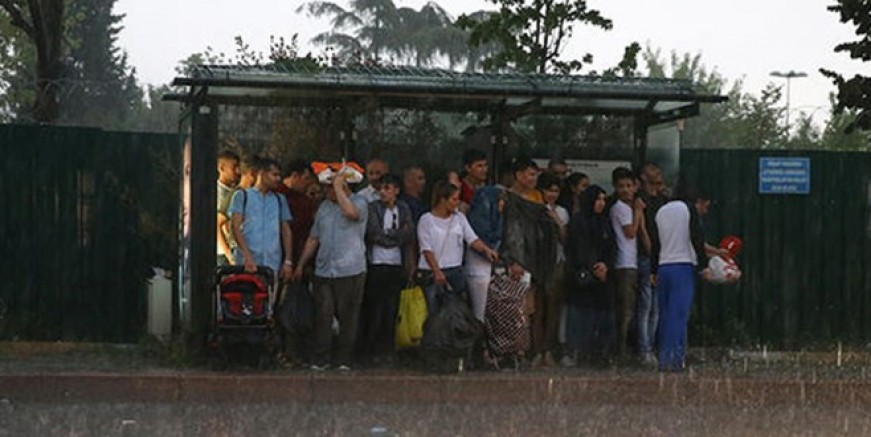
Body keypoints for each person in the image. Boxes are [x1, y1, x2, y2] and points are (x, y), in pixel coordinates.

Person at [293, 166, 369, 372]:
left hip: (350, 270)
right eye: (327, 187)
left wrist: (339, 188)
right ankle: (321, 358)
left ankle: (344, 359)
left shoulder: (360, 202)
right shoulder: (324, 208)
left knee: (348, 317)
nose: (328, 191)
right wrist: (300, 263)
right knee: (323, 315)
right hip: (325, 269)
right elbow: (313, 237)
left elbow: (351, 213)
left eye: (331, 187)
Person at [650, 179, 711, 372]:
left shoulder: (662, 211)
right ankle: (674, 360)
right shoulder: (687, 209)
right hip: (683, 266)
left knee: (666, 314)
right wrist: (704, 265)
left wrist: (653, 269)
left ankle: (664, 357)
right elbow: (696, 237)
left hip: (663, 266)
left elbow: (655, 243)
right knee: (679, 315)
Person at [417, 180, 498, 316]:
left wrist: (486, 250)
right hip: (433, 272)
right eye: (454, 199)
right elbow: (426, 249)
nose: (457, 203)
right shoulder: (426, 220)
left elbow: (472, 239)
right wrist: (436, 271)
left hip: (454, 270)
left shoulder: (459, 218)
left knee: (456, 313)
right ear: (443, 200)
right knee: (434, 312)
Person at [360, 174, 416, 365]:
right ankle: (370, 349)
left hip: (396, 264)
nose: (383, 192)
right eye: (381, 189)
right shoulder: (373, 208)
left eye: (388, 188)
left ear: (396, 191)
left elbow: (409, 233)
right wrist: (396, 235)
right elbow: (374, 234)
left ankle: (388, 349)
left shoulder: (403, 208)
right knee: (376, 308)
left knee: (392, 308)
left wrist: (392, 236)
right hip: (377, 263)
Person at [228, 158, 294, 312]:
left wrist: (288, 260)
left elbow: (286, 229)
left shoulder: (279, 200)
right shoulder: (242, 196)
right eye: (274, 174)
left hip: (272, 261)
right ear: (262, 173)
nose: (278, 179)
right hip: (247, 262)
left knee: (268, 306)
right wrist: (247, 255)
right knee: (244, 305)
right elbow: (235, 227)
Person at [565, 185, 615, 366]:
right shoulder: (578, 221)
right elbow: (577, 248)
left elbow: (611, 247)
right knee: (580, 316)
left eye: (603, 199)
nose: (601, 203)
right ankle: (577, 351)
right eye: (598, 199)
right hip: (582, 276)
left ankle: (600, 352)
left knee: (603, 315)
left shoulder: (605, 222)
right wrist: (593, 267)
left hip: (602, 278)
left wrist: (605, 266)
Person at [530, 172, 570, 368]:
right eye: (549, 190)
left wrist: (556, 220)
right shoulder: (535, 209)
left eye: (556, 191)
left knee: (554, 310)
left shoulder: (562, 212)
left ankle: (548, 350)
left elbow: (565, 238)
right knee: (538, 310)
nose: (552, 194)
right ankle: (537, 350)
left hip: (557, 263)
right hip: (539, 264)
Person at [609, 167, 648, 360]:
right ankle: (621, 351)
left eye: (629, 186)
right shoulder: (621, 208)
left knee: (630, 309)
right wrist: (639, 211)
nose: (625, 190)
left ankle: (623, 349)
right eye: (621, 186)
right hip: (624, 263)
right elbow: (631, 232)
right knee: (626, 310)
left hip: (631, 262)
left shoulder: (627, 207)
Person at [636, 162, 668, 367]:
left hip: (660, 254)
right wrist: (650, 250)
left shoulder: (663, 201)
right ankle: (644, 349)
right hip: (647, 255)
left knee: (655, 307)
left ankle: (650, 346)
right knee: (646, 305)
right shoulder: (641, 201)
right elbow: (642, 230)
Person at [217, 150, 241, 266]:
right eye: (234, 167)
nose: (238, 172)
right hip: (221, 252)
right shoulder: (215, 194)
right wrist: (228, 254)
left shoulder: (236, 192)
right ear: (222, 168)